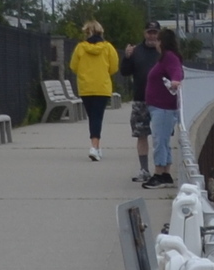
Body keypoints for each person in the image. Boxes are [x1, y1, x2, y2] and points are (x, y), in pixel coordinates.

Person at [141, 28, 187, 187]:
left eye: (158, 40)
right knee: (164, 140)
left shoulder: (169, 57)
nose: (156, 43)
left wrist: (175, 80)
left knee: (159, 140)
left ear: (162, 42)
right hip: (159, 107)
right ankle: (166, 173)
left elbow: (177, 71)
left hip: (164, 108)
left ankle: (159, 173)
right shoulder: (164, 58)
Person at [68, 22, 120, 160]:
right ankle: (94, 147)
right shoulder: (108, 47)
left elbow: (73, 66)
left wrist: (85, 71)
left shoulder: (80, 47)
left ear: (87, 33)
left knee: (92, 117)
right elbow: (114, 67)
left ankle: (96, 146)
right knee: (98, 117)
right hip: (102, 87)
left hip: (85, 87)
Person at [120, 31, 156, 181]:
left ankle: (163, 171)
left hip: (160, 101)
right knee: (141, 135)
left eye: (155, 33)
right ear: (144, 33)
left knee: (162, 137)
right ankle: (144, 169)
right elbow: (124, 72)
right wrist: (127, 58)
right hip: (140, 100)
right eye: (149, 33)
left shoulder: (164, 51)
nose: (152, 36)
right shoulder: (137, 51)